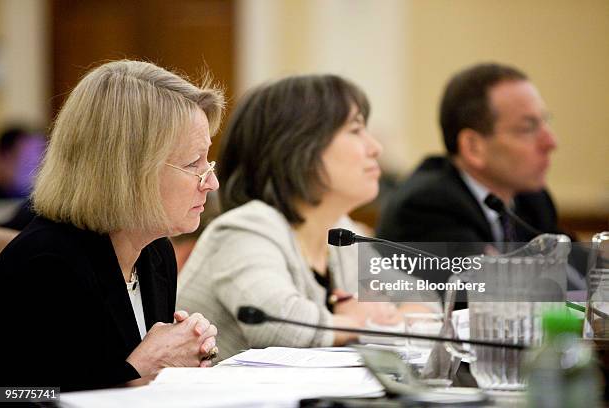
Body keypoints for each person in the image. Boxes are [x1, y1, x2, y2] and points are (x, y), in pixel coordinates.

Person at [0, 60, 223, 391]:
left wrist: (184, 357)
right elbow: (14, 396)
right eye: (193, 163)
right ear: (129, 172)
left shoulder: (155, 253)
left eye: (208, 160)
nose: (212, 182)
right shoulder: (45, 264)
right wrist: (139, 369)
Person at [177, 74, 438, 361]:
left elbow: (424, 299)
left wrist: (370, 319)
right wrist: (364, 322)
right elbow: (281, 326)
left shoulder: (340, 231)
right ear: (299, 148)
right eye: (355, 130)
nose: (375, 148)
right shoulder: (244, 229)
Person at [376, 62, 586, 289]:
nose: (551, 142)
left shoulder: (532, 200)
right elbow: (483, 294)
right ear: (473, 146)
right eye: (528, 128)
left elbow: (583, 273)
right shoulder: (426, 205)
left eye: (545, 122)